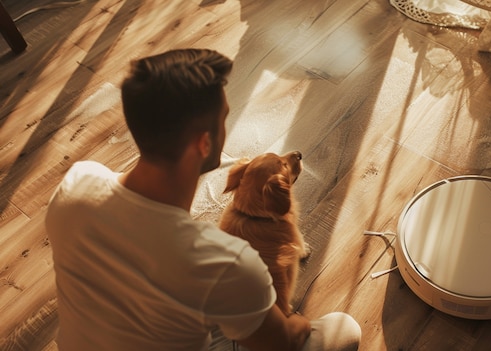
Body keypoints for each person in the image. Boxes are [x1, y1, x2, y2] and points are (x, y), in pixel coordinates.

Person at [45, 49, 361, 351]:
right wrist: (296, 322)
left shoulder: (77, 182)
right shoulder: (225, 263)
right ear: (205, 142)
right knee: (344, 329)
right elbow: (283, 343)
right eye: (223, 118)